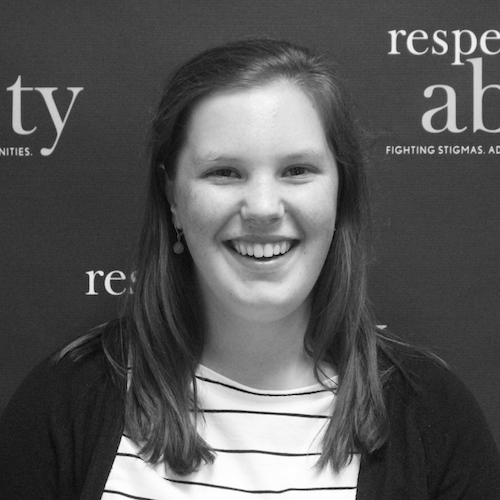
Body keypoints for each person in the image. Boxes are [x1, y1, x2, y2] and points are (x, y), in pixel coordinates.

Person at [1, 38, 499, 500]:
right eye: (224, 172)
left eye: (297, 170)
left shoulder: (435, 416)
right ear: (173, 197)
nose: (262, 207)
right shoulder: (64, 402)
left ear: (339, 190)